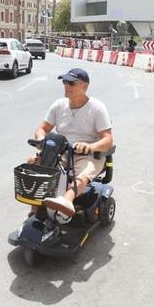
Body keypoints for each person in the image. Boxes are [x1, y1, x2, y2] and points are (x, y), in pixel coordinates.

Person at [32, 68, 114, 220]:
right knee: (33, 164)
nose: (66, 86)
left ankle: (67, 201)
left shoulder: (97, 107)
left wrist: (89, 147)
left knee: (83, 172)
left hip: (87, 155)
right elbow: (42, 128)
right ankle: (34, 211)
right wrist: (42, 139)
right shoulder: (59, 105)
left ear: (84, 86)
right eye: (64, 82)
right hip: (61, 152)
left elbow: (108, 139)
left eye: (71, 82)